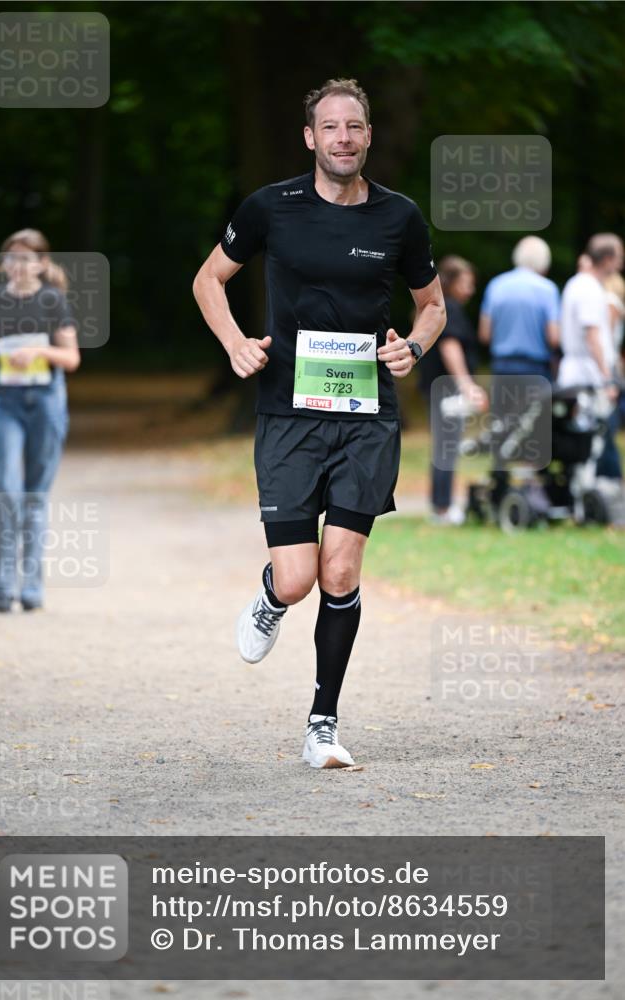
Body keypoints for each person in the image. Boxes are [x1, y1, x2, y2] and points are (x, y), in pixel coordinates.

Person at [193, 78, 445, 769]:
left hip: (366, 414)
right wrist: (235, 343)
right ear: (310, 137)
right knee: (300, 576)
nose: (341, 138)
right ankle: (272, 596)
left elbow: (432, 306)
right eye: (328, 127)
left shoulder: (399, 217)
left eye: (353, 127)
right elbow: (207, 279)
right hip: (288, 412)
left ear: (367, 136)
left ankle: (323, 723)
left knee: (340, 570)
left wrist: (412, 347)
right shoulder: (271, 207)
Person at [0, 229, 80, 612]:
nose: (18, 266)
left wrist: (39, 349)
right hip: (6, 403)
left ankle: (31, 587)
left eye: (26, 258)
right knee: (4, 489)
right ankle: (1, 588)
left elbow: (71, 359)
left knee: (34, 495)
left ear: (42, 264)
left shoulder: (52, 301)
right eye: (11, 258)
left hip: (47, 402)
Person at [418, 255, 487, 524]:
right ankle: (443, 508)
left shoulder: (439, 309)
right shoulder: (451, 310)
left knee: (443, 446)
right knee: (446, 447)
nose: (470, 289)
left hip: (439, 387)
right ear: (451, 282)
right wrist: (467, 385)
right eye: (466, 283)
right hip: (447, 389)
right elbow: (450, 347)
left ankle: (440, 505)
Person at [558, 233, 624, 482]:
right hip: (586, 374)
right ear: (607, 259)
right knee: (590, 439)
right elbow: (592, 334)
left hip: (584, 370)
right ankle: (589, 493)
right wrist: (607, 378)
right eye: (619, 257)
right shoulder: (587, 288)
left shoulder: (584, 284)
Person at [478, 236, 560, 380]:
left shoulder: (495, 285)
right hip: (535, 368)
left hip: (502, 366)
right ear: (544, 262)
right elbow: (553, 338)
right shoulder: (548, 289)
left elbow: (484, 335)